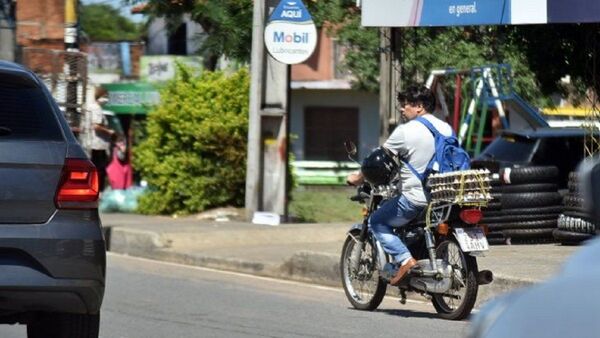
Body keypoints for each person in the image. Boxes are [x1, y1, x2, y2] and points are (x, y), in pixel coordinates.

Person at [346, 85, 454, 285]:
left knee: (376, 222)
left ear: (419, 106)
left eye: (405, 106)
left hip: (416, 198)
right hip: (444, 197)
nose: (402, 110)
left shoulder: (405, 131)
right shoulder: (446, 128)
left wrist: (357, 177)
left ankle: (406, 260)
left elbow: (377, 160)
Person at [83, 87, 116, 192]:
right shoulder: (96, 108)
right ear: (99, 97)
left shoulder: (92, 107)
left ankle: (95, 189)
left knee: (96, 168)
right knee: (99, 169)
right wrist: (109, 132)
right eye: (105, 97)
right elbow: (96, 126)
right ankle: (98, 191)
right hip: (97, 144)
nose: (106, 99)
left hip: (94, 143)